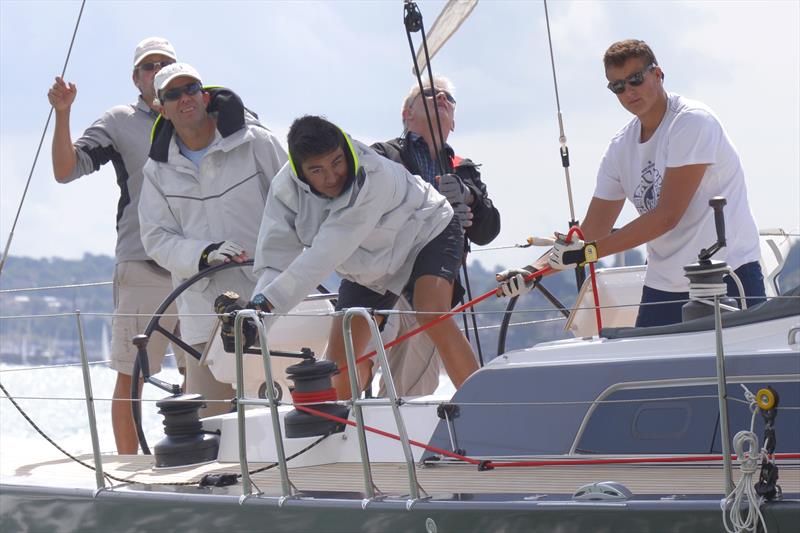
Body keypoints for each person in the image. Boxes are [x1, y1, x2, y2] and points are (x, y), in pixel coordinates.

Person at [498, 39, 765, 328]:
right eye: (618, 87)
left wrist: (591, 252)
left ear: (658, 74)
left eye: (635, 79)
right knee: (651, 374)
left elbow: (666, 216)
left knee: (739, 374)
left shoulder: (692, 122)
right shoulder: (620, 147)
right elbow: (591, 231)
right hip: (664, 285)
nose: (629, 91)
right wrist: (531, 271)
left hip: (727, 275)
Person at [248, 115, 478, 399]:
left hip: (427, 232)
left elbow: (323, 256)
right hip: (368, 264)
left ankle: (482, 408)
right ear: (299, 171)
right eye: (317, 170)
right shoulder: (285, 190)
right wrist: (255, 316)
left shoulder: (373, 175)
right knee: (338, 357)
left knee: (430, 311)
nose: (331, 177)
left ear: (345, 150)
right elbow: (275, 261)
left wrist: (267, 306)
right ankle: (339, 433)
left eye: (336, 162)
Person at [47, 37, 185, 454]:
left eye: (166, 64)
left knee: (209, 371)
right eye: (149, 66)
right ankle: (128, 466)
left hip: (200, 267)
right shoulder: (120, 120)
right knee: (132, 374)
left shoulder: (201, 113)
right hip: (145, 264)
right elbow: (65, 170)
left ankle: (213, 464)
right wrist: (64, 113)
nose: (157, 71)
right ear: (136, 78)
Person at [139, 62, 287, 416]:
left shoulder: (257, 143)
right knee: (213, 425)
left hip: (274, 302)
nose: (184, 98)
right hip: (204, 316)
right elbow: (156, 239)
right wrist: (203, 254)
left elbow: (296, 205)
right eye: (173, 94)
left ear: (204, 96)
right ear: (160, 107)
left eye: (190, 89)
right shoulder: (156, 171)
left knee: (285, 414)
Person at [371, 76, 500, 395]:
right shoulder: (382, 157)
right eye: (430, 94)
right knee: (358, 365)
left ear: (453, 122)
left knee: (409, 394)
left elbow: (489, 231)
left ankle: (398, 445)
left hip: (433, 290)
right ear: (407, 112)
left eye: (448, 98)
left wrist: (470, 197)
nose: (441, 98)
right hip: (381, 282)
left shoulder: (464, 170)